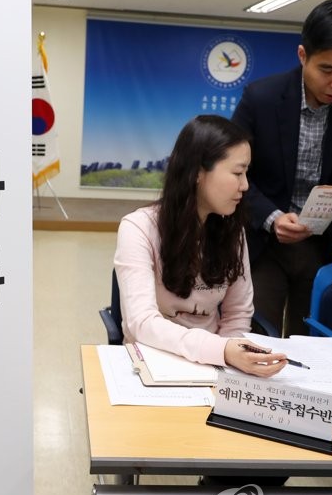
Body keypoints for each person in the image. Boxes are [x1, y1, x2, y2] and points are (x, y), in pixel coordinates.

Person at [231, 0, 332, 336]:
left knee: (315, 339)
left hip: (327, 245)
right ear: (303, 55)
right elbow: (234, 171)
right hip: (264, 241)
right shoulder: (262, 97)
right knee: (257, 335)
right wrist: (272, 218)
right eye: (327, 70)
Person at [113, 115, 289, 376]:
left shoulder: (232, 230)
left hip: (213, 364)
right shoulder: (138, 228)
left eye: (246, 173)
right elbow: (142, 323)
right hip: (152, 361)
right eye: (237, 173)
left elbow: (237, 315)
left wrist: (231, 362)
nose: (245, 185)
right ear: (197, 173)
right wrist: (221, 350)